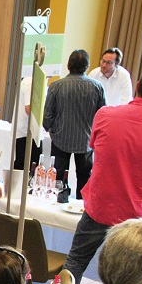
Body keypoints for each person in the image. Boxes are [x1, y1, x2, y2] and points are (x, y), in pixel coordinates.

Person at [62, 68, 142, 284]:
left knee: (74, 263)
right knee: (126, 279)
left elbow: (96, 149)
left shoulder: (105, 114)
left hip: (100, 205)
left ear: (137, 87)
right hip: (136, 214)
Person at [43, 50, 107, 198]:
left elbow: (47, 114)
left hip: (60, 137)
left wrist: (50, 128)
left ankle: (56, 203)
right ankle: (81, 207)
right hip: (86, 140)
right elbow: (103, 114)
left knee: (57, 177)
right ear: (88, 66)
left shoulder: (56, 86)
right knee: (85, 178)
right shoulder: (97, 87)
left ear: (68, 65)